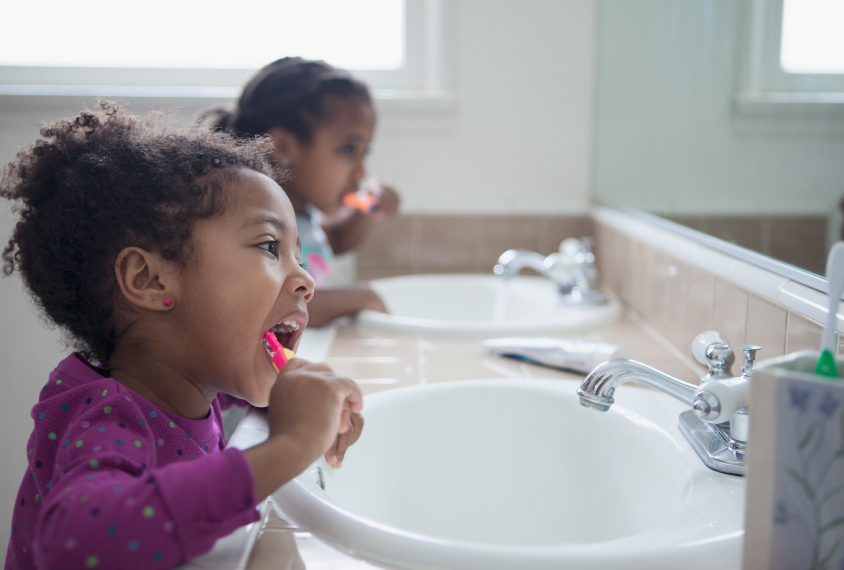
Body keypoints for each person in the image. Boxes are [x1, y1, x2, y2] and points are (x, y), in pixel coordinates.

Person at [1, 102, 363, 570]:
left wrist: (298, 401)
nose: (305, 281)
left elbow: (243, 400)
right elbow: (78, 543)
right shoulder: (108, 418)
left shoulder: (192, 389)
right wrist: (290, 446)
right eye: (270, 246)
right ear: (150, 280)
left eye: (297, 254)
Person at [202, 57, 399, 326]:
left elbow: (336, 240)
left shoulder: (303, 215)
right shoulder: (256, 224)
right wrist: (361, 297)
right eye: (348, 150)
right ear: (283, 145)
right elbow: (273, 305)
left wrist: (365, 212)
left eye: (366, 152)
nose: (361, 172)